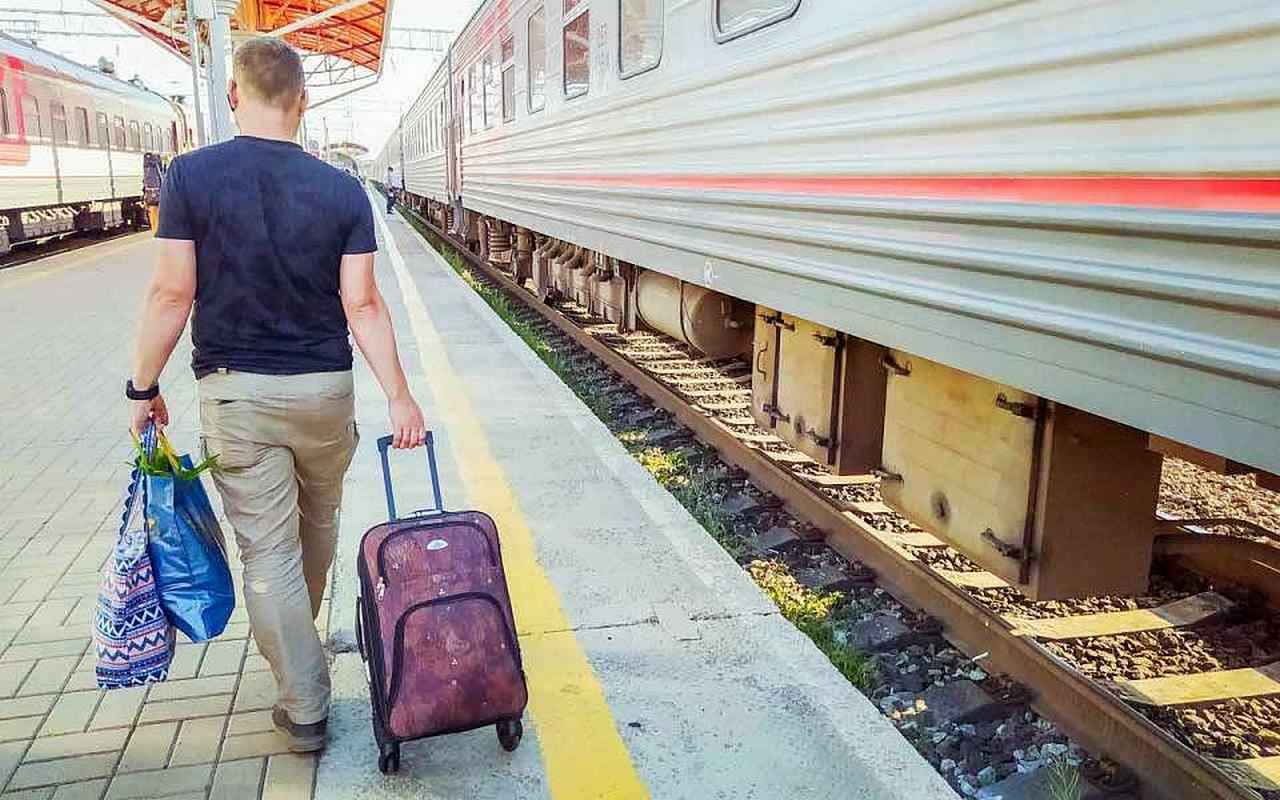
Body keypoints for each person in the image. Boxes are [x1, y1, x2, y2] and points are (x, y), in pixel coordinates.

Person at [126, 36, 426, 753]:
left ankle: (304, 701)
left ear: (234, 95)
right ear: (303, 101)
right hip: (324, 392)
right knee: (316, 527)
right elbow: (363, 305)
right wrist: (400, 396)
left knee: (269, 553)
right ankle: (301, 648)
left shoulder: (190, 177)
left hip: (239, 396)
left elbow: (171, 293)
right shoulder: (342, 190)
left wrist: (143, 386)